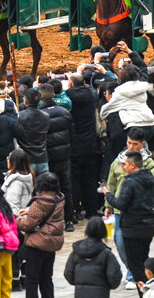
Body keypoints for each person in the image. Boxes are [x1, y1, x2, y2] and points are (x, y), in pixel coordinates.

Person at [102, 150, 154, 287]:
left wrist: (108, 195)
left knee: (135, 265)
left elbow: (121, 204)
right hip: (148, 226)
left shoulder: (129, 182)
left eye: (125, 164)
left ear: (132, 165)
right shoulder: (150, 178)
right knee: (143, 259)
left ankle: (144, 290)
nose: (123, 167)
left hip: (133, 229)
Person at [17, 172, 65, 298]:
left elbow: (27, 225)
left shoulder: (39, 203)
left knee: (32, 280)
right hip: (51, 244)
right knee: (46, 279)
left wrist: (16, 220)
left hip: (36, 246)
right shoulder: (59, 200)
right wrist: (29, 211)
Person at [65, 73, 102, 221]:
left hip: (75, 145)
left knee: (75, 179)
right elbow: (92, 89)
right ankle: (91, 210)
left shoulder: (68, 96)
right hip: (91, 144)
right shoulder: (92, 95)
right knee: (90, 179)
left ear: (71, 84)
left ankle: (77, 209)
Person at [38, 83, 74, 231]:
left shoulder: (39, 115)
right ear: (54, 95)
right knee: (66, 186)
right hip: (64, 155)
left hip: (48, 156)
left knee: (49, 189)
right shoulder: (65, 112)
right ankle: (69, 219)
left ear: (40, 98)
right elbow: (72, 133)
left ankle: (52, 220)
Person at [63, 217, 122, 298]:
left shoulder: (76, 252)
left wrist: (78, 283)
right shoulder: (106, 254)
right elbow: (114, 276)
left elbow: (68, 273)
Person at [18, 88, 50, 176]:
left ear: (25, 101)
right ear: (39, 100)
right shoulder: (46, 116)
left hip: (27, 159)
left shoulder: (20, 116)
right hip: (42, 158)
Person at [2, 149, 34, 217]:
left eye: (9, 158)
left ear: (13, 162)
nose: (7, 160)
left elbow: (12, 207)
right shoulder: (27, 177)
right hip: (24, 218)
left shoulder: (15, 183)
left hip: (15, 220)